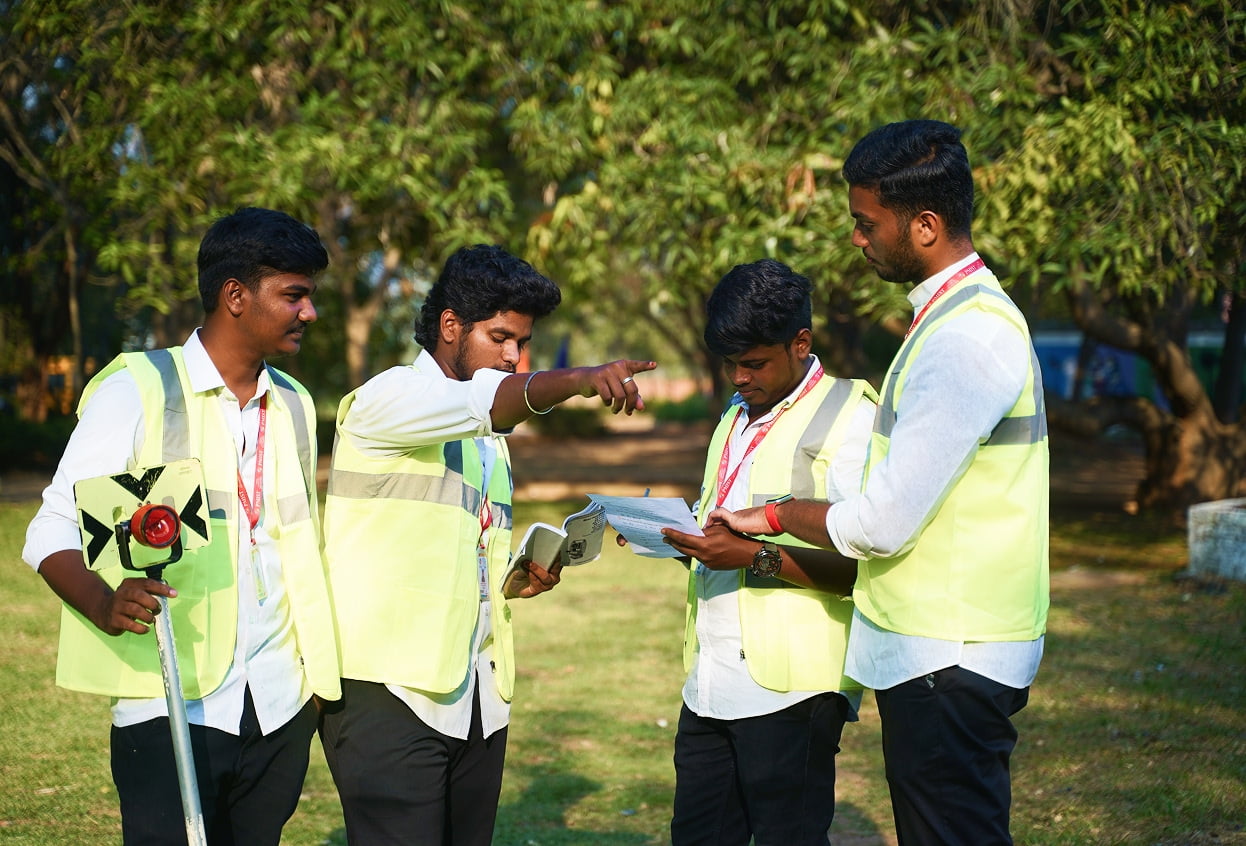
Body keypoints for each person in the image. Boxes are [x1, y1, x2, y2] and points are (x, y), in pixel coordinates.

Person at [712, 120, 1050, 845]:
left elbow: (883, 522)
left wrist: (778, 515)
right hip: (940, 651)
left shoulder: (965, 337)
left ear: (924, 225)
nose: (857, 239)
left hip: (952, 653)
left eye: (867, 224)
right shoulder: (948, 321)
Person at [318, 243, 656, 845]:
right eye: (500, 337)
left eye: (522, 343)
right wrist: (579, 380)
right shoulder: (388, 397)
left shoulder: (487, 440)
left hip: (478, 693)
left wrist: (515, 579)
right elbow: (486, 403)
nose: (512, 356)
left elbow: (460, 545)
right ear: (450, 326)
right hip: (391, 696)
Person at [22, 207, 340, 845]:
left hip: (279, 704)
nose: (309, 312)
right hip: (171, 702)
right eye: (294, 295)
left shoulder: (296, 402)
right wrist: (103, 602)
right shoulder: (135, 389)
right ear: (235, 296)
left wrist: (307, 688)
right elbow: (50, 528)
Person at [654, 259, 877, 845]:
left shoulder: (851, 417)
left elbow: (859, 568)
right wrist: (678, 540)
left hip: (794, 690)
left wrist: (752, 556)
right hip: (709, 683)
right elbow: (723, 530)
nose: (739, 376)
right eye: (729, 362)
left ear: (800, 343)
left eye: (753, 363)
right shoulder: (734, 414)